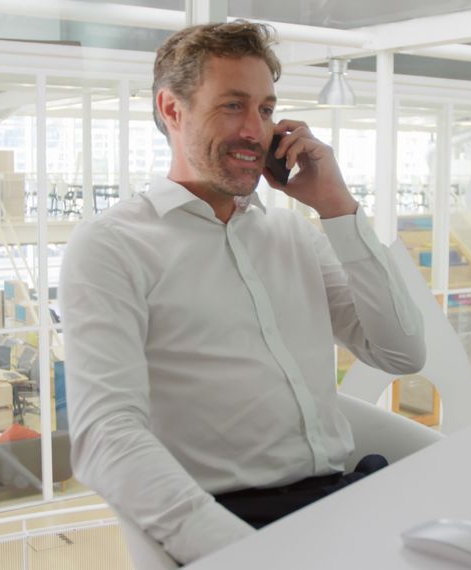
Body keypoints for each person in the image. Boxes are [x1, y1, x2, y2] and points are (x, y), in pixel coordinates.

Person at [60, 20, 425, 564]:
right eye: (233, 106)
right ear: (171, 108)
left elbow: (401, 353)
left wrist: (338, 209)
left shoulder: (293, 232)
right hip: (237, 523)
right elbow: (105, 437)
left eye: (266, 109)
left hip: (345, 503)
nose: (256, 130)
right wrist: (247, 557)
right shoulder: (113, 245)